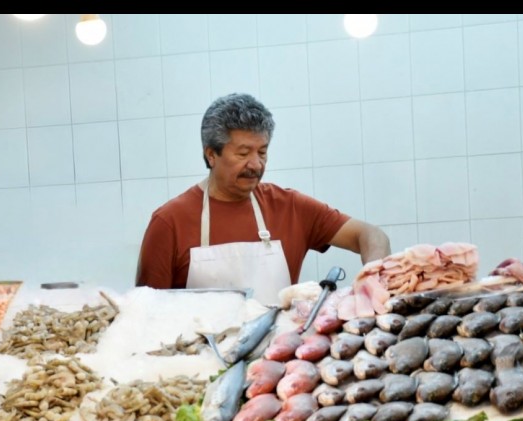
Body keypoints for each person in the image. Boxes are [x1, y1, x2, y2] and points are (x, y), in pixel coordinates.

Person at [135, 93, 390, 304]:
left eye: (263, 152)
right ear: (211, 155)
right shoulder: (169, 222)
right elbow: (145, 313)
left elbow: (371, 235)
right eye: (243, 153)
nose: (256, 164)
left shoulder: (290, 207)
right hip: (202, 352)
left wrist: (373, 277)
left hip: (281, 350)